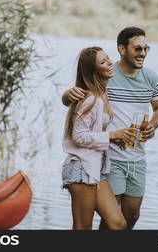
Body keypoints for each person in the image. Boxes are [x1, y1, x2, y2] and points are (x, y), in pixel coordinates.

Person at [62, 27, 158, 230]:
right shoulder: (99, 86)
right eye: (137, 48)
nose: (143, 53)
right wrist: (67, 95)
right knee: (90, 225)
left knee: (125, 219)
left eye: (146, 48)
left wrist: (151, 126)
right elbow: (78, 116)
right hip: (95, 163)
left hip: (116, 161)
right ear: (122, 49)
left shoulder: (145, 79)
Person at [62, 46, 136, 230]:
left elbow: (93, 131)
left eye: (108, 58)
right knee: (82, 227)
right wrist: (111, 135)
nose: (110, 63)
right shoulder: (90, 98)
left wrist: (114, 139)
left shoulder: (103, 93)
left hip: (96, 169)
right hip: (81, 168)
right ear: (93, 70)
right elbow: (78, 136)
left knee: (118, 224)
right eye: (103, 62)